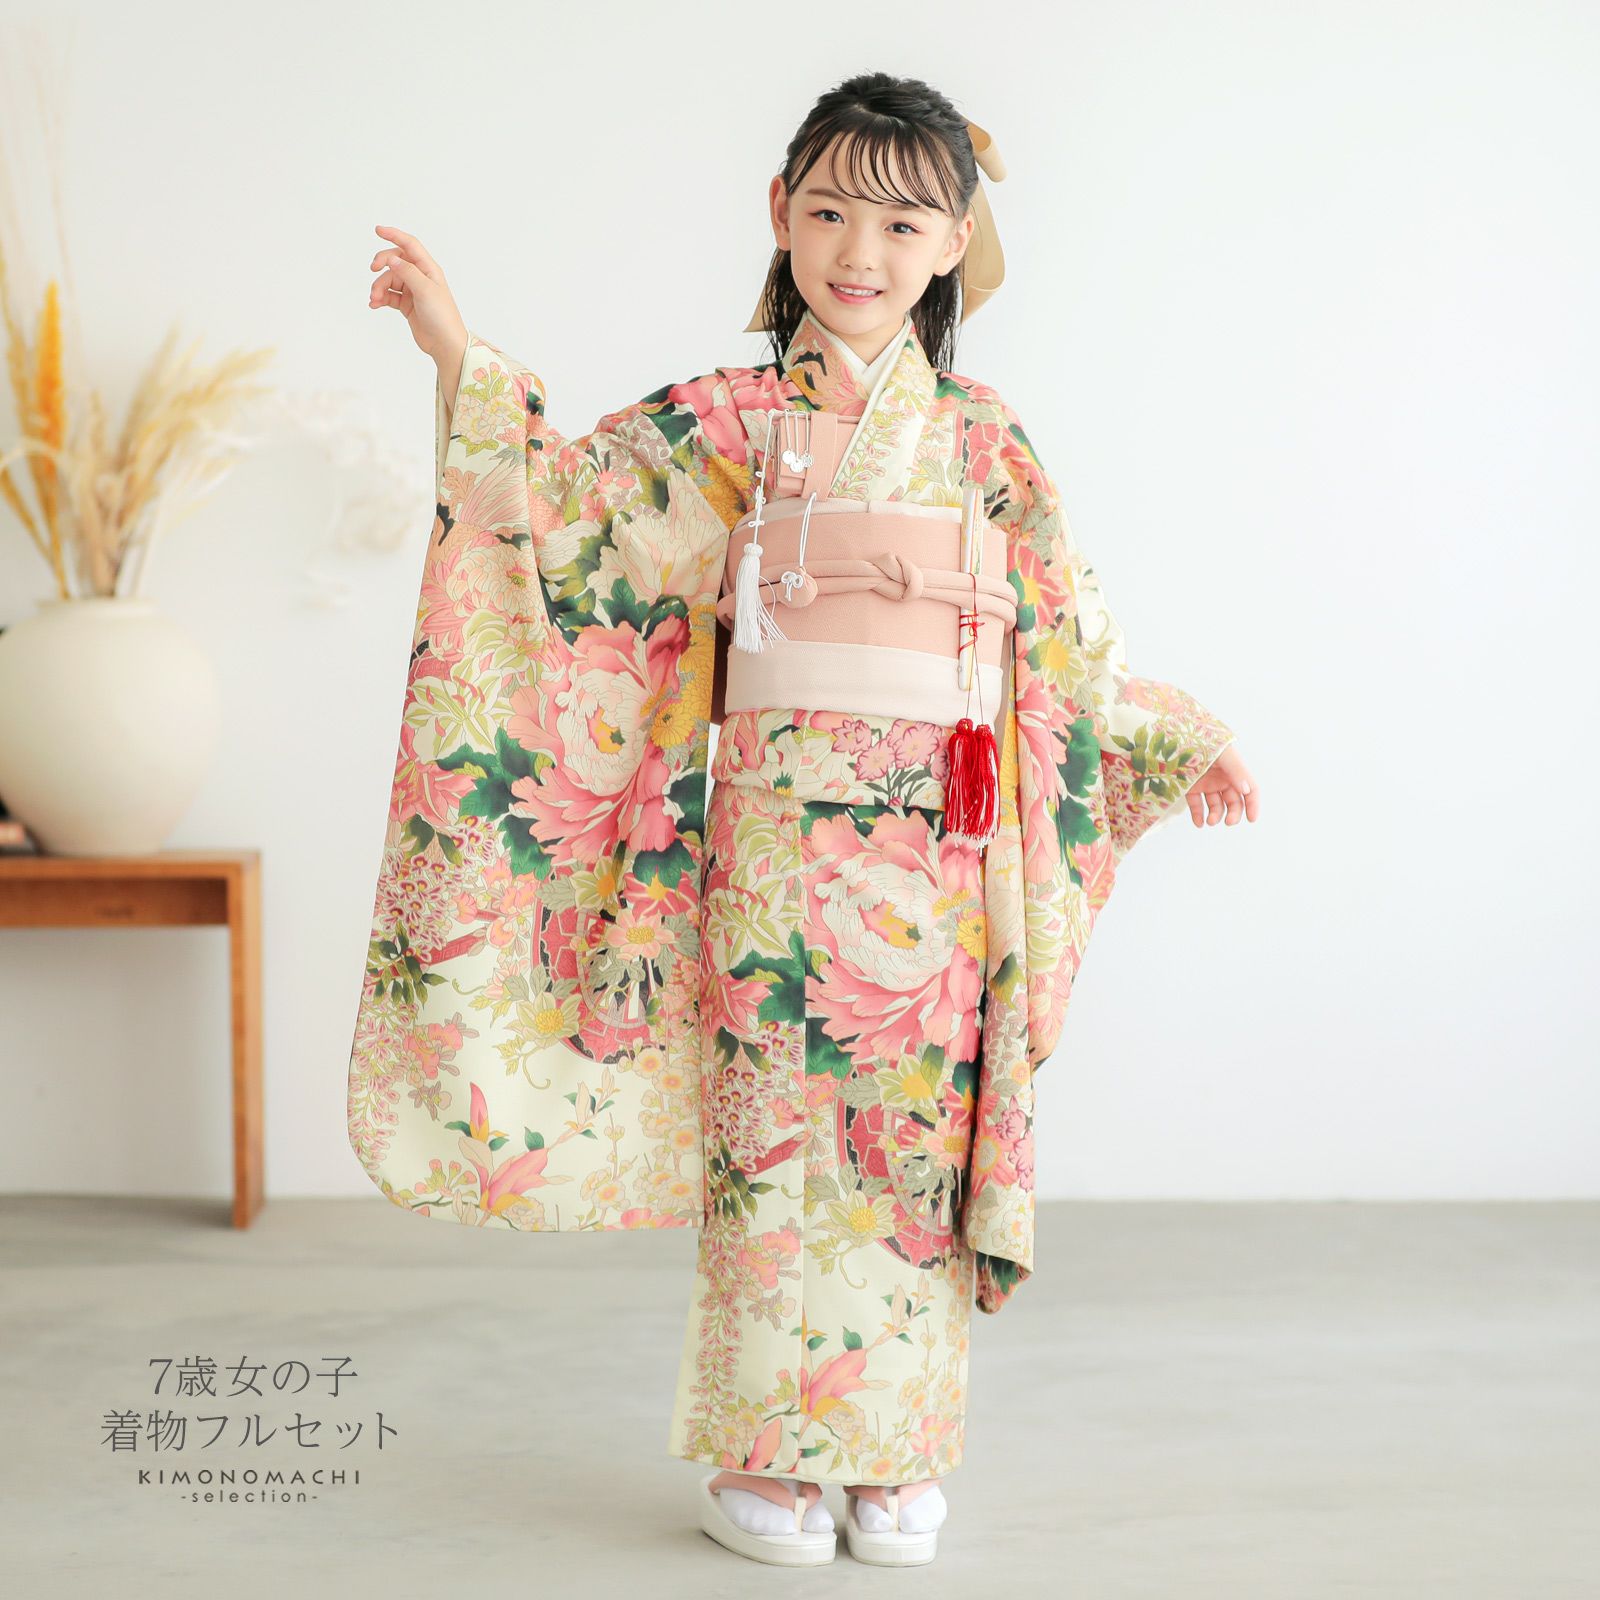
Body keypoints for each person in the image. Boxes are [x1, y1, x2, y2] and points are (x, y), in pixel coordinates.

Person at [353, 71, 1259, 1569]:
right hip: (771, 854)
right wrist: (460, 354)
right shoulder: (729, 422)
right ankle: (765, 1451)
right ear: (781, 214)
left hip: (940, 852)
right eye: (832, 211)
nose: (861, 250)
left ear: (955, 242)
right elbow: (566, 521)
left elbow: (1063, 647)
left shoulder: (985, 441)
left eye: (904, 223)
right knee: (772, 1146)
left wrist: (1178, 734)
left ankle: (895, 1453)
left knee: (908, 1158)